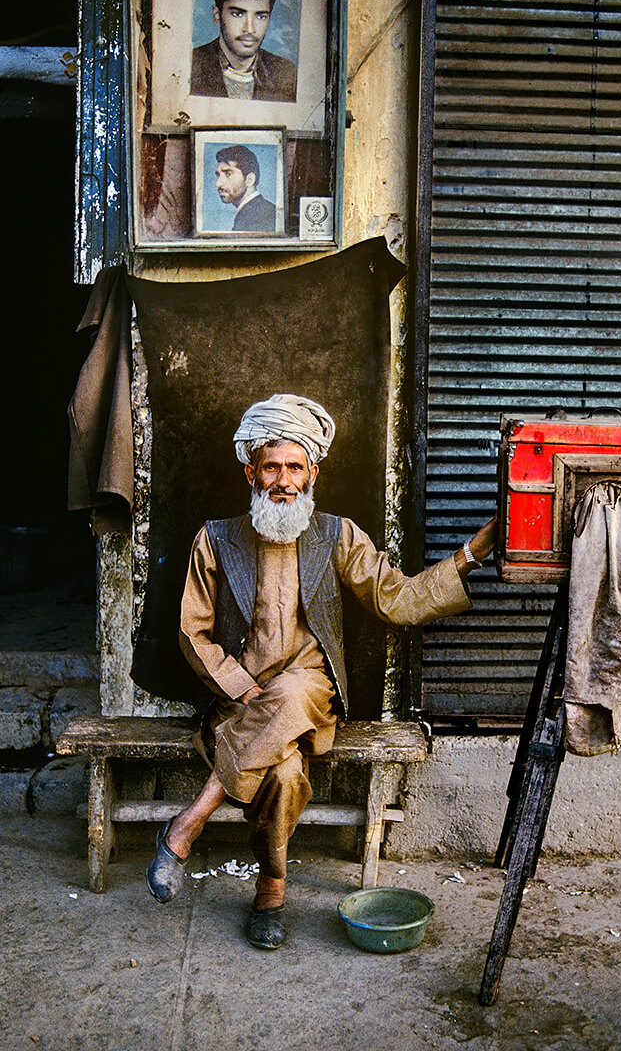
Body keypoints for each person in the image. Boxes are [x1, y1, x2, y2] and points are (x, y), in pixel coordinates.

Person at [146, 394, 497, 950]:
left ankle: (190, 821)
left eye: (295, 466)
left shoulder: (339, 535)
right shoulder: (214, 539)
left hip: (312, 702)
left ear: (314, 471)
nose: (283, 480)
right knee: (283, 775)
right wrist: (240, 685)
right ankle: (271, 891)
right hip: (241, 706)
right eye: (271, 467)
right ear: (251, 471)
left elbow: (399, 601)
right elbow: (193, 633)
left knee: (294, 688)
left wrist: (469, 557)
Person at [191, 0, 297, 102]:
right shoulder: (190, 65)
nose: (250, 29)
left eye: (261, 16)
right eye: (237, 14)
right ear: (217, 15)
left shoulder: (285, 72)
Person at [214, 145, 277, 232]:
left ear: (249, 180)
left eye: (228, 174)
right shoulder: (260, 211)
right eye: (218, 175)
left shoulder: (258, 218)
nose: (218, 184)